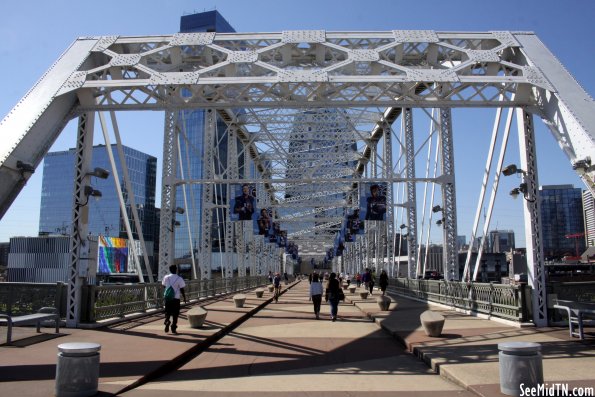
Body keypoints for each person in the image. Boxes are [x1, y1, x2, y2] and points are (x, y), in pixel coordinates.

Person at [162, 264, 187, 334]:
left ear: (169, 270)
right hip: (176, 298)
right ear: (176, 269)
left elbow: (163, 285)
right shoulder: (179, 278)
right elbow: (182, 289)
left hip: (168, 298)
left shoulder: (166, 277)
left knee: (167, 312)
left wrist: (168, 292)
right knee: (175, 314)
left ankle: (167, 321)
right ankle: (173, 327)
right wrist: (184, 298)